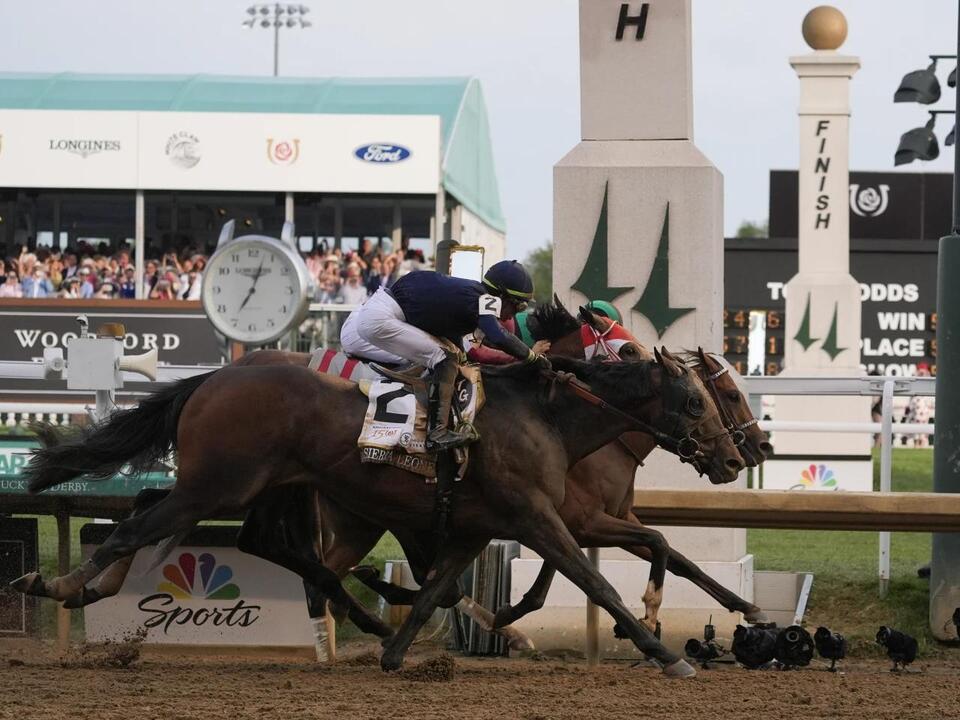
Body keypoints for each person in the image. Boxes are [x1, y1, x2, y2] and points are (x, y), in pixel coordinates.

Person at [341, 260, 543, 450]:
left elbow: (465, 347)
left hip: (379, 313)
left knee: (448, 357)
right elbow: (498, 336)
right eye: (519, 306)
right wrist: (532, 357)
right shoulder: (484, 299)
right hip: (379, 318)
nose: (514, 314)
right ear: (502, 296)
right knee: (444, 358)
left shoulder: (470, 296)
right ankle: (436, 433)